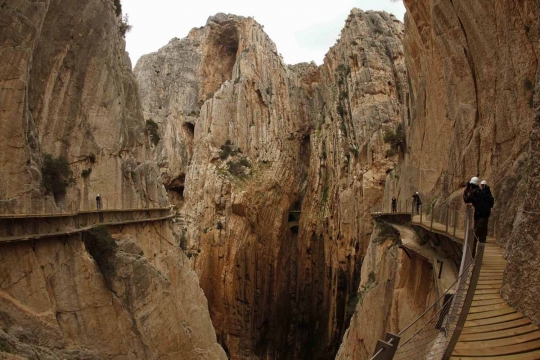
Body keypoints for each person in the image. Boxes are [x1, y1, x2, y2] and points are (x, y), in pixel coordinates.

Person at [463, 177, 493, 258]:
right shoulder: (481, 192)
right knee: (482, 238)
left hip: (481, 218)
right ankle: (479, 257)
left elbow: (466, 199)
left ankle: (471, 257)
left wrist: (466, 189)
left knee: (474, 237)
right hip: (484, 217)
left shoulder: (475, 192)